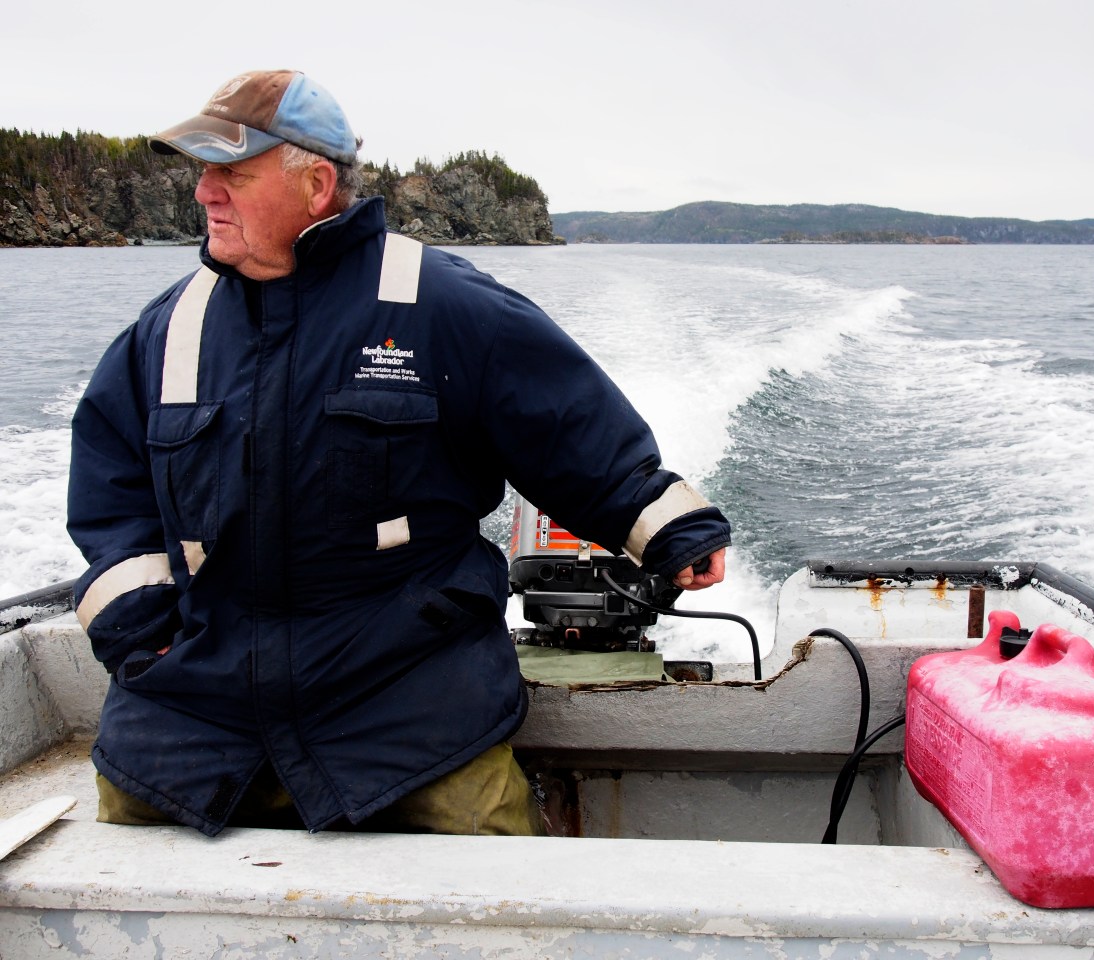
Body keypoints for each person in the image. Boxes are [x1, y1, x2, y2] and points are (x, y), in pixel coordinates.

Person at [67, 70, 730, 837]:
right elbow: (111, 498)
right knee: (115, 837)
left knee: (496, 866)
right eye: (204, 171)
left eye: (232, 174)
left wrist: (671, 529)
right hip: (203, 703)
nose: (204, 193)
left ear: (316, 184)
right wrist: (140, 634)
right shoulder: (165, 332)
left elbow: (567, 427)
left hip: (408, 697)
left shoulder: (443, 304)